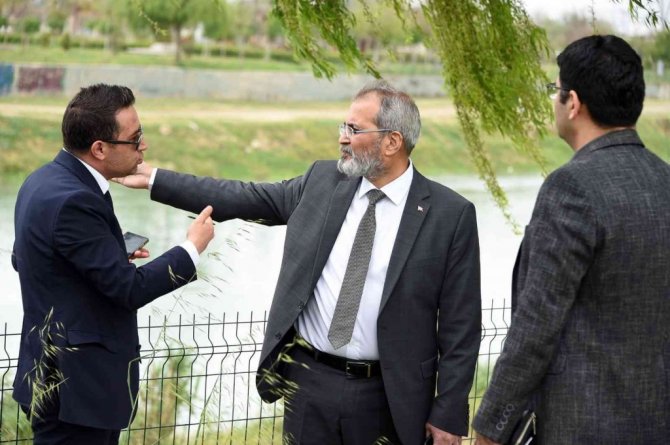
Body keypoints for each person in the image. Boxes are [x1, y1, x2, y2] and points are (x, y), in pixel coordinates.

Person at [117, 80, 481, 445]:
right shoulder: (322, 181)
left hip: (391, 395)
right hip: (309, 384)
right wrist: (154, 179)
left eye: (354, 130)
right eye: (343, 126)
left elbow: (461, 326)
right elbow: (244, 197)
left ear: (392, 142)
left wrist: (449, 413)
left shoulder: (450, 216)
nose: (342, 138)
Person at [473, 35, 670, 445]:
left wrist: (491, 427)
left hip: (584, 427)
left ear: (573, 103)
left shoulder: (572, 188)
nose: (554, 100)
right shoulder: (663, 180)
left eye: (556, 90)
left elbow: (536, 325)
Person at [11, 83, 215, 445]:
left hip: (51, 375)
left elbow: (29, 257)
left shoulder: (42, 180)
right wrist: (190, 249)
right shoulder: (75, 199)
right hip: (77, 390)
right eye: (134, 139)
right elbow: (128, 289)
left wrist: (104, 253)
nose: (143, 146)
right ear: (100, 149)